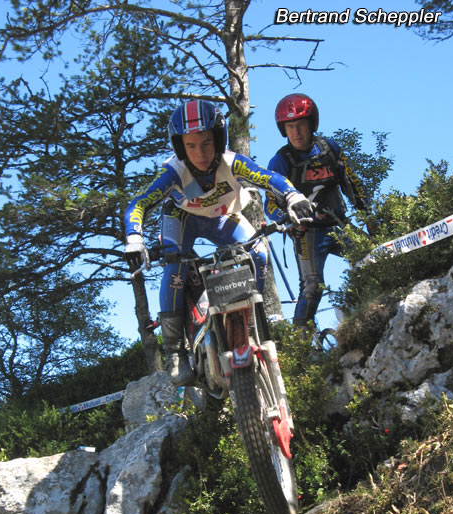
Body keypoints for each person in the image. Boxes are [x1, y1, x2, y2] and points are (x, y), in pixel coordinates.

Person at [124, 99, 314, 386]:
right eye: (190, 146)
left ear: (218, 138)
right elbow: (139, 203)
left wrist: (293, 196)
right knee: (174, 269)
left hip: (224, 217)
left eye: (206, 143)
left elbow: (268, 177)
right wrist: (134, 239)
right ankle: (175, 353)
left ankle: (251, 323)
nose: (200, 153)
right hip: (183, 219)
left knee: (260, 252)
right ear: (180, 147)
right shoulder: (173, 171)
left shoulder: (232, 162)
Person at [264, 93, 369, 329]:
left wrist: (367, 213)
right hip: (307, 234)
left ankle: (360, 310)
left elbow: (351, 181)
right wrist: (288, 221)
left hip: (338, 225)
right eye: (290, 127)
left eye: (301, 124)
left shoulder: (329, 149)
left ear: (312, 124)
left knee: (371, 257)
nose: (296, 132)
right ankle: (301, 343)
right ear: (283, 130)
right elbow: (269, 204)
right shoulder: (280, 161)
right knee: (312, 286)